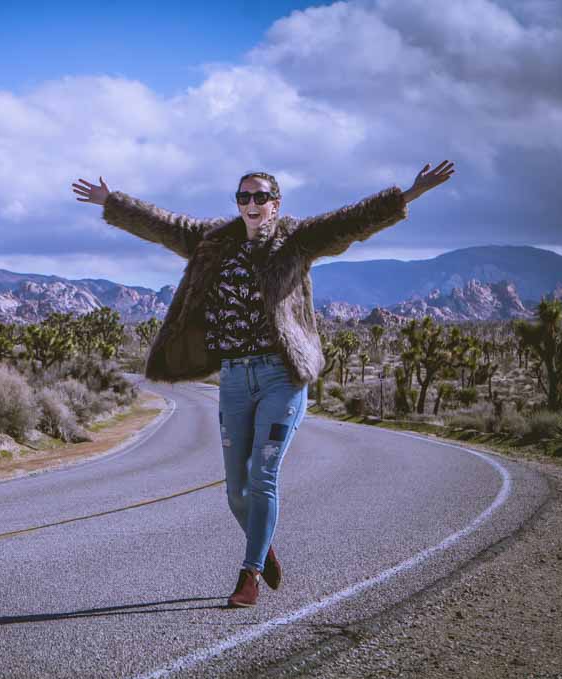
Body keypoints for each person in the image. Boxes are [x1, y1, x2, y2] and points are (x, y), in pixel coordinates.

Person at [71, 161, 454, 607]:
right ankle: (262, 541)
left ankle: (249, 574)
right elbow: (163, 223)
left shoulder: (297, 239)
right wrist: (112, 201)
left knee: (262, 474)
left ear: (275, 204)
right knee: (236, 489)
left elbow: (352, 222)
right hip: (233, 377)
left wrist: (409, 194)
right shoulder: (213, 240)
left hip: (281, 375)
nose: (251, 204)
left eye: (259, 197)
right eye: (243, 197)